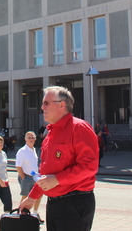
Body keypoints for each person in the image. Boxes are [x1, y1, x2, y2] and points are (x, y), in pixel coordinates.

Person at [20, 86, 98, 231]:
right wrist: (32, 197)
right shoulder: (50, 133)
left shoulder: (79, 128)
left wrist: (56, 179)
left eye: (46, 103)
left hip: (75, 202)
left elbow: (89, 167)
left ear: (62, 105)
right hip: (54, 203)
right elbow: (44, 172)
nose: (42, 107)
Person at [15, 131, 43, 222]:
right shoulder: (22, 151)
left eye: (33, 138)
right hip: (26, 177)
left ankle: (35, 213)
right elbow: (18, 166)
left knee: (38, 195)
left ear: (35, 139)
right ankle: (21, 214)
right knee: (25, 196)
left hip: (35, 177)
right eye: (29, 138)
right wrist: (23, 178)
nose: (31, 139)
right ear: (25, 139)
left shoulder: (34, 150)